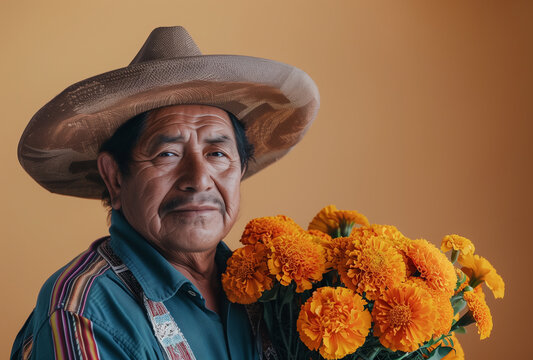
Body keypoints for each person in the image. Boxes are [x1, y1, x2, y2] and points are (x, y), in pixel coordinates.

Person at [11, 26, 319, 359]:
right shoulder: (83, 312)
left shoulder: (277, 295)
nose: (199, 179)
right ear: (114, 178)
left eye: (217, 154)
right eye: (167, 154)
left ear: (241, 170)